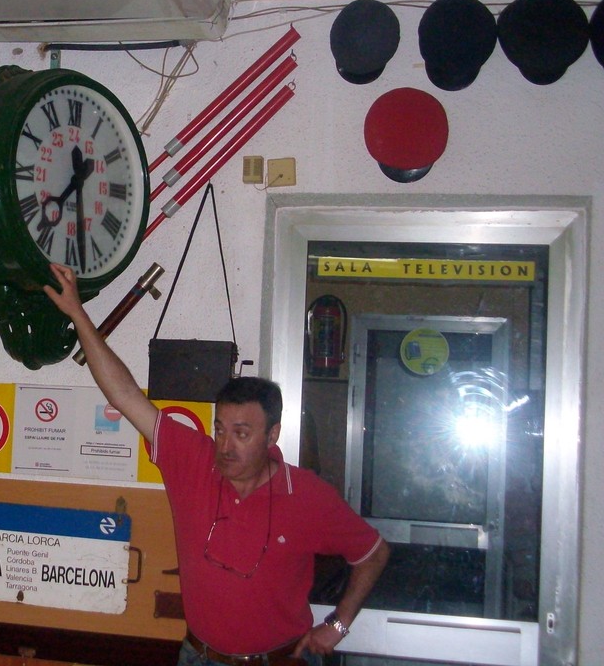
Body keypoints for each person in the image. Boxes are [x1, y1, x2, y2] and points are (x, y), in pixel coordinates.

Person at [44, 264, 389, 666]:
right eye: (220, 429)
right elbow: (123, 393)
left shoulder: (307, 494)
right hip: (199, 656)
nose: (225, 445)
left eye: (242, 433)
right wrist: (77, 313)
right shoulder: (192, 459)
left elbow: (373, 553)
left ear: (272, 435)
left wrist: (338, 625)